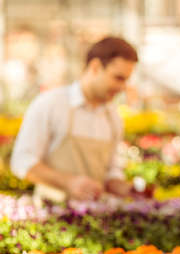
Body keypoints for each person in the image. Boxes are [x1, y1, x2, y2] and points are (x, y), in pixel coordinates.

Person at [11, 36, 138, 203]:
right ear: (95, 67)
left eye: (126, 80)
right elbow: (22, 161)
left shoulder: (113, 117)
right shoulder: (51, 104)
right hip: (52, 219)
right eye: (118, 78)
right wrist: (68, 182)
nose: (123, 87)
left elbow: (111, 171)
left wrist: (125, 188)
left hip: (98, 219)